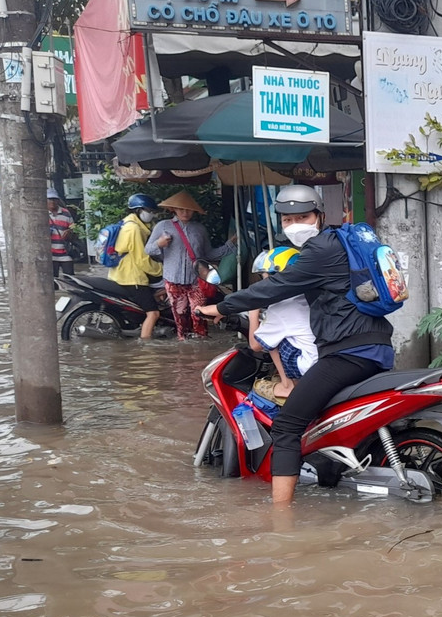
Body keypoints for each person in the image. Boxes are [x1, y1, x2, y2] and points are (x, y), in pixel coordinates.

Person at [198, 185, 395, 505]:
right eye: (287, 219)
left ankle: (281, 518)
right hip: (377, 346)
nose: (295, 225)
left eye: (302, 217)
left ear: (319, 215)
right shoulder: (344, 242)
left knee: (288, 425)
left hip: (347, 352)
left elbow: (276, 287)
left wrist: (221, 307)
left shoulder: (319, 251)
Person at [145, 190, 233, 340]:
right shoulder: (163, 226)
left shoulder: (200, 229)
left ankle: (201, 342)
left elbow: (209, 254)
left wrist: (230, 245)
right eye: (181, 209)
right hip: (173, 280)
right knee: (180, 316)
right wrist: (159, 243)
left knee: (199, 314)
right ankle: (184, 343)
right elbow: (148, 249)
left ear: (194, 211)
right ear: (173, 209)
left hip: (195, 280)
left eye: (188, 210)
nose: (185, 212)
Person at [246, 246, 318, 402]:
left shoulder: (280, 308)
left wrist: (253, 313)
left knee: (271, 341)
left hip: (306, 367)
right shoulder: (307, 296)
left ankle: (287, 385)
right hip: (324, 362)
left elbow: (255, 345)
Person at [106, 193, 164, 340]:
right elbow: (141, 259)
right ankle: (145, 347)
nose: (151, 214)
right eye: (148, 211)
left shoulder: (128, 224)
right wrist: (162, 270)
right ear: (138, 210)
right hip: (133, 278)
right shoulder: (134, 229)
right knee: (153, 313)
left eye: (152, 211)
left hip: (119, 275)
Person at [47, 187, 76, 279]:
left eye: (54, 199)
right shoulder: (42, 214)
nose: (53, 202)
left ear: (58, 200)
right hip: (50, 255)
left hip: (65, 253)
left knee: (70, 280)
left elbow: (74, 228)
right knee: (52, 283)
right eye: (50, 199)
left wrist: (70, 231)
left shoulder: (66, 213)